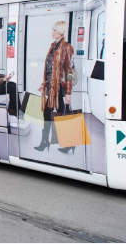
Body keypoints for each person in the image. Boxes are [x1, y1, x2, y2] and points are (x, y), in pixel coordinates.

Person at [35, 21, 75, 154]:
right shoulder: (53, 46)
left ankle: (67, 142)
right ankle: (46, 141)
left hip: (60, 87)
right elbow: (49, 69)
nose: (52, 32)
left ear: (61, 32)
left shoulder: (67, 47)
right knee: (48, 113)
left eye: (54, 30)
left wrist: (68, 92)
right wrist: (44, 84)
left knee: (60, 116)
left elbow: (69, 72)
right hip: (51, 87)